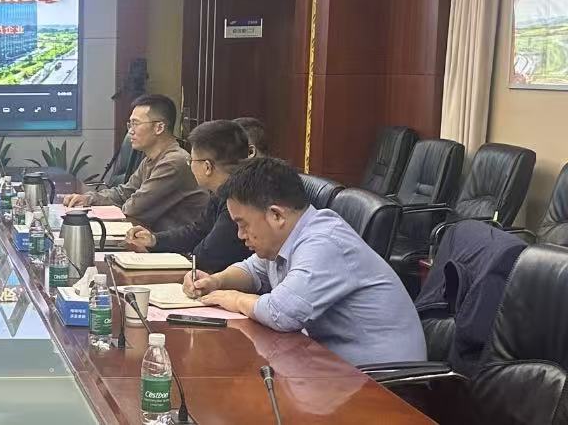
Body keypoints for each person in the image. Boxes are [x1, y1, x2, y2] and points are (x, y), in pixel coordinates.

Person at [184, 157, 427, 366]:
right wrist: (216, 281)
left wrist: (234, 298)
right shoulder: (287, 238)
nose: (240, 235)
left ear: (276, 215)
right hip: (331, 367)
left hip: (379, 380)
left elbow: (281, 313)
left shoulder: (324, 241)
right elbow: (253, 269)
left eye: (243, 224)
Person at [65, 94, 208, 233]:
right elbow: (124, 193)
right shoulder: (150, 159)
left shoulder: (173, 162)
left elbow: (133, 208)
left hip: (177, 245)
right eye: (130, 124)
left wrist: (113, 204)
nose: (130, 131)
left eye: (136, 124)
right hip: (155, 237)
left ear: (159, 127)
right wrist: (88, 198)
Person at [124, 119, 252, 273]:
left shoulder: (239, 200)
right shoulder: (220, 193)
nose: (190, 165)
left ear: (207, 167)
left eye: (191, 160)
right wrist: (154, 240)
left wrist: (185, 257)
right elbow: (196, 231)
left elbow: (206, 257)